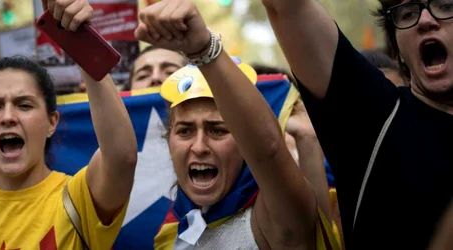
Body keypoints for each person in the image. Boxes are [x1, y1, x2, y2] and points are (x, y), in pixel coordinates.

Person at [135, 1, 340, 249]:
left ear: (245, 144)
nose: (199, 146)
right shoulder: (171, 232)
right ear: (168, 142)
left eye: (217, 130)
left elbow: (270, 152)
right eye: (185, 130)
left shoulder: (277, 219)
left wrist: (204, 49)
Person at [261, 0, 453, 248]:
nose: (426, 21)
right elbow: (286, 7)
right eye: (407, 13)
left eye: (446, 6)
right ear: (397, 50)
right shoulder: (376, 116)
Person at [0, 0, 137, 248]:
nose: (8, 116)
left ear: (52, 122)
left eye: (24, 105)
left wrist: (82, 42)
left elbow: (121, 158)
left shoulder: (78, 200)